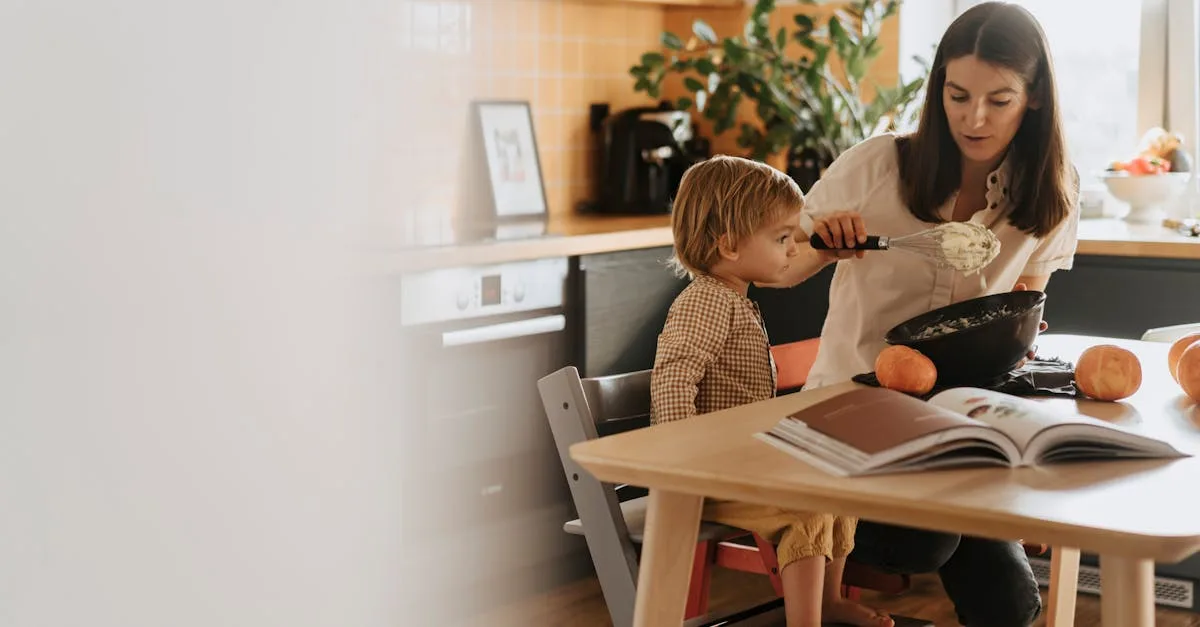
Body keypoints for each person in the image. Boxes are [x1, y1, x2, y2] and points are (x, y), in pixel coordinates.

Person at [765, 3, 1080, 625]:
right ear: (938, 88)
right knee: (926, 541)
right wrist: (822, 244)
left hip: (955, 422)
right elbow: (781, 269)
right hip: (849, 419)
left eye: (999, 99)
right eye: (957, 96)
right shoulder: (877, 166)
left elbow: (1024, 308)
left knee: (1010, 600)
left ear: (1035, 96)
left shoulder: (1050, 190)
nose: (974, 117)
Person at [649, 155, 892, 627]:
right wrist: (681, 462)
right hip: (707, 476)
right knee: (807, 511)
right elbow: (673, 378)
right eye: (781, 238)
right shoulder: (706, 303)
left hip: (739, 464)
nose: (790, 249)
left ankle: (830, 603)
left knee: (838, 488)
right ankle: (808, 620)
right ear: (729, 245)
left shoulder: (731, 297)